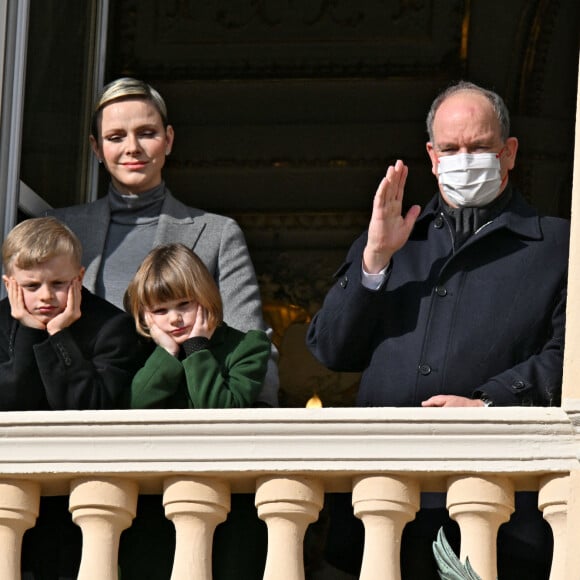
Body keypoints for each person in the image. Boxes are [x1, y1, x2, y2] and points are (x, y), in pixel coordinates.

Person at [307, 81, 569, 579]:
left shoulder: (557, 245)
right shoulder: (393, 237)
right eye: (451, 149)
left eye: (480, 147)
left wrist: (491, 403)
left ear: (509, 152)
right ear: (431, 155)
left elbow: (569, 355)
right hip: (381, 507)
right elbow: (331, 350)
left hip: (500, 509)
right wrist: (375, 259)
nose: (464, 159)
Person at [47, 76, 278, 408]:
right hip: (78, 418)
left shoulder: (218, 232)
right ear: (97, 148)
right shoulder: (60, 229)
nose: (132, 148)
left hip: (180, 423)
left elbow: (249, 338)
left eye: (146, 133)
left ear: (168, 140)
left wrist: (259, 427)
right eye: (115, 137)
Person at [0, 216, 148, 578]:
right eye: (31, 285)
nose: (46, 296)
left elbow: (91, 410)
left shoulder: (113, 328)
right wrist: (29, 332)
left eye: (59, 283)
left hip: (76, 505)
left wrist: (57, 338)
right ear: (10, 284)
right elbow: (10, 402)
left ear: (79, 278)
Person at [121, 243, 271, 579]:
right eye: (160, 311)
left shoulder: (248, 345)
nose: (174, 318)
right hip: (154, 504)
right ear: (145, 314)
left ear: (204, 297)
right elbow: (131, 407)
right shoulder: (142, 350)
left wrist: (197, 348)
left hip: (228, 504)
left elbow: (222, 412)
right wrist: (167, 353)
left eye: (184, 305)